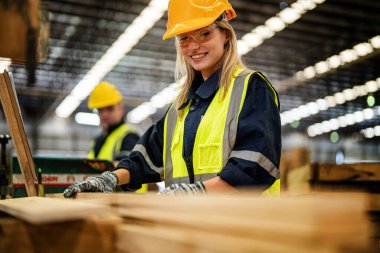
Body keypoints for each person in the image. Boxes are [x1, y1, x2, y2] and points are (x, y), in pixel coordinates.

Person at [64, 0, 281, 198]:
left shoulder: (251, 89)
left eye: (204, 34)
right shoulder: (182, 105)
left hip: (246, 232)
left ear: (225, 35)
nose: (193, 46)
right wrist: (111, 178)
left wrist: (196, 193)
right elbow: (147, 157)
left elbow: (255, 167)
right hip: (192, 229)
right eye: (184, 38)